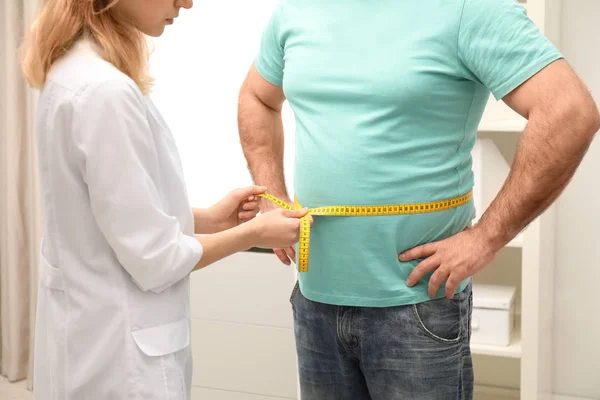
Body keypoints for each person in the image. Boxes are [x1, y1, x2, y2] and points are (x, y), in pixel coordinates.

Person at [238, 0, 600, 398]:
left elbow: (569, 111)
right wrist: (271, 195)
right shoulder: (296, 11)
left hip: (416, 307)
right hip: (313, 297)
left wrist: (487, 238)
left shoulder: (470, 9)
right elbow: (257, 97)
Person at [19, 0, 310, 399]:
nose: (186, 2)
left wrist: (207, 218)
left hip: (88, 337)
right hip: (122, 361)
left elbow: (105, 214)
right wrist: (254, 232)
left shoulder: (71, 72)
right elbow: (157, 260)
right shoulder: (106, 92)